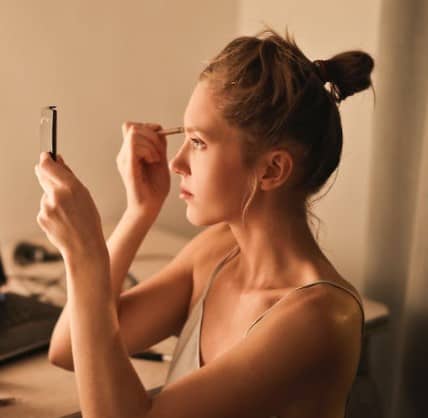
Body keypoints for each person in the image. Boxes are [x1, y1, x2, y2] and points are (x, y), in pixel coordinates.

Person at [35, 27, 374, 418]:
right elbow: (67, 349)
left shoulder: (320, 318)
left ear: (272, 169)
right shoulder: (217, 252)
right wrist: (139, 212)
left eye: (198, 142)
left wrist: (87, 256)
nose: (176, 163)